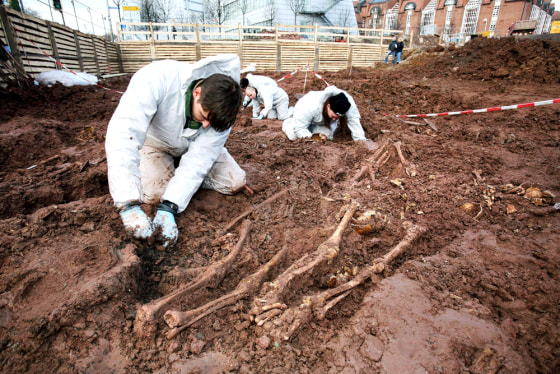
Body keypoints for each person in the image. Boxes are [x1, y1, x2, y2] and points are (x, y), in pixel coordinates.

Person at [105, 54, 245, 248]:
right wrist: (127, 202)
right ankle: (168, 169)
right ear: (197, 92)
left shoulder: (223, 112)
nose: (205, 126)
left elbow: (200, 159)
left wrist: (170, 205)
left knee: (235, 181)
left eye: (211, 123)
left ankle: (178, 170)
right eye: (203, 116)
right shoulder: (158, 78)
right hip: (156, 144)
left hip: (192, 146)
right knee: (154, 194)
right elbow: (124, 134)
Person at [281, 86, 368, 142]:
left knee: (328, 136)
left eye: (337, 118)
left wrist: (361, 141)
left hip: (322, 120)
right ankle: (288, 123)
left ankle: (314, 128)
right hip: (304, 116)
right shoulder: (309, 105)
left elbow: (354, 121)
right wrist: (313, 138)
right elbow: (299, 128)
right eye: (333, 116)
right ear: (328, 106)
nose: (334, 119)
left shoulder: (347, 104)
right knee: (293, 136)